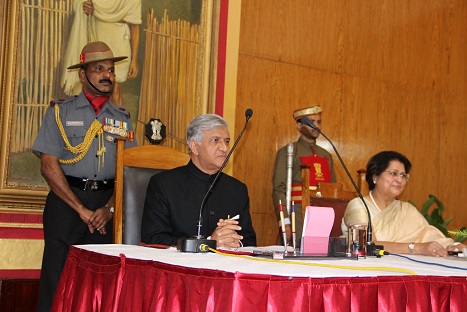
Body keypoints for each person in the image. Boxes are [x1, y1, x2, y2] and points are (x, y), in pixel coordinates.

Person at [33, 41, 137, 311]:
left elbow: (130, 170)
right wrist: (80, 208)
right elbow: (48, 166)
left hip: (106, 206)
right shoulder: (60, 112)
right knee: (56, 280)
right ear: (82, 74)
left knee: (100, 284)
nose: (108, 75)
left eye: (111, 70)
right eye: (99, 68)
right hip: (67, 202)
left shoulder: (122, 119)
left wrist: (111, 208)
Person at [141, 114, 257, 248]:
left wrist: (236, 243)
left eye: (226, 141)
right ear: (195, 147)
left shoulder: (238, 189)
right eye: (215, 140)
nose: (224, 148)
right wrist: (208, 243)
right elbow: (154, 239)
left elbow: (250, 240)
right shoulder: (163, 185)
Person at [342, 151, 466, 256]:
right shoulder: (358, 205)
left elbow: (427, 234)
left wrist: (452, 246)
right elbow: (366, 245)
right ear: (375, 176)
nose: (399, 179)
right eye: (393, 173)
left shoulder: (406, 210)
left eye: (403, 175)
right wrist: (416, 248)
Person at [272, 105, 336, 245]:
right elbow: (279, 190)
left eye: (319, 122)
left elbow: (333, 191)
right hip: (298, 217)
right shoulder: (288, 152)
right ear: (299, 125)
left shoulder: (326, 156)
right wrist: (285, 222)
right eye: (311, 122)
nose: (316, 125)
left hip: (322, 218)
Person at [62, 0, 142, 106]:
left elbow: (135, 26)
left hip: (120, 42)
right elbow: (78, 3)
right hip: (97, 37)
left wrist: (134, 61)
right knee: (95, 88)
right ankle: (96, 122)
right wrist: (84, 6)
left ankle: (118, 122)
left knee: (115, 91)